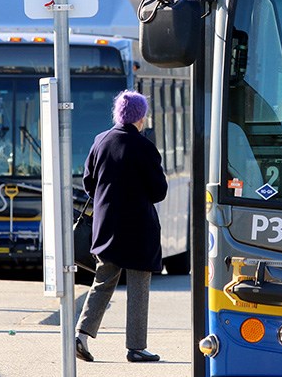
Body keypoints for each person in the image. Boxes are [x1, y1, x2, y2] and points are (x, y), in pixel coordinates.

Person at [75, 90, 168, 363]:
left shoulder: (100, 141)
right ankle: (136, 347)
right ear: (140, 117)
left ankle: (81, 336)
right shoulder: (145, 147)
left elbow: (88, 184)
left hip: (107, 226)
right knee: (139, 285)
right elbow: (158, 191)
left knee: (103, 281)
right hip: (139, 228)